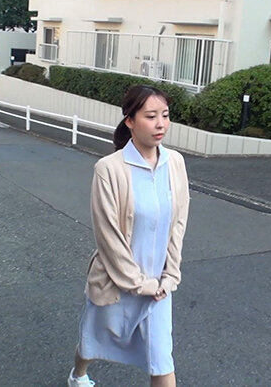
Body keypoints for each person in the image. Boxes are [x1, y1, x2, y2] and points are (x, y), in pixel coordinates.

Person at [68, 85, 191, 387]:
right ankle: (78, 374)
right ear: (130, 121)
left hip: (159, 287)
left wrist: (170, 276)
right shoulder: (109, 169)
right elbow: (108, 237)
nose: (161, 124)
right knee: (92, 341)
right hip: (117, 279)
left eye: (165, 115)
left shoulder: (175, 163)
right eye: (151, 116)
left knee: (162, 362)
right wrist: (139, 283)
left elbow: (178, 224)